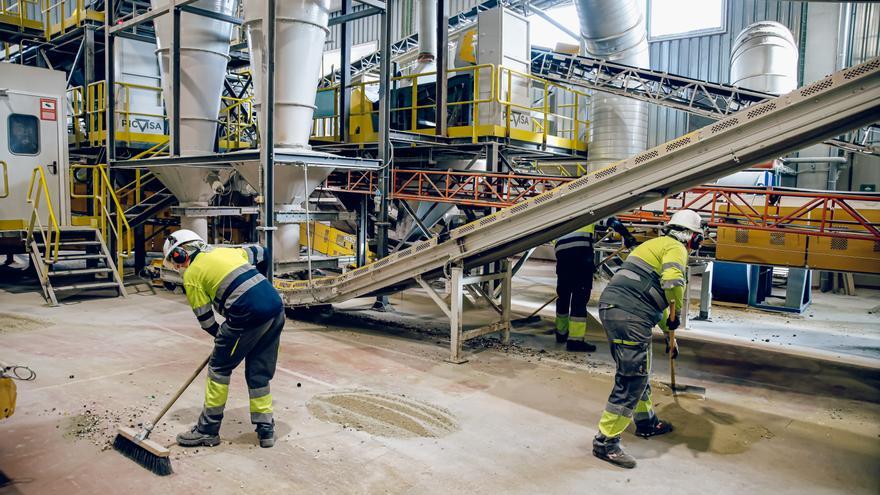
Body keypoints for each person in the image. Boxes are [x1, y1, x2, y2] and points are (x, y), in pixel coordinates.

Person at [591, 209, 705, 468]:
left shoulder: (653, 245)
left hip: (618, 311)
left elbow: (657, 303)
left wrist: (669, 333)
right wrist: (677, 308)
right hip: (630, 315)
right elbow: (673, 283)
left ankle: (646, 421)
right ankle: (605, 442)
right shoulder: (677, 249)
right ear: (691, 237)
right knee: (632, 378)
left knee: (640, 369)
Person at [163, 229, 284, 448]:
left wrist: (224, 339)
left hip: (247, 316)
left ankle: (207, 430)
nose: (177, 267)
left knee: (219, 369)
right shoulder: (226, 252)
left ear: (181, 254)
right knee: (259, 373)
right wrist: (263, 288)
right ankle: (266, 431)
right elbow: (262, 251)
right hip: (275, 308)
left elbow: (207, 321)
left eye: (175, 261)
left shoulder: (192, 275)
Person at [554, 218, 636, 352]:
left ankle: (561, 333)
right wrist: (626, 235)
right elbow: (610, 221)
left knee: (563, 297)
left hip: (562, 260)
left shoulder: (561, 216)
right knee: (579, 301)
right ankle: (575, 341)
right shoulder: (588, 214)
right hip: (581, 260)